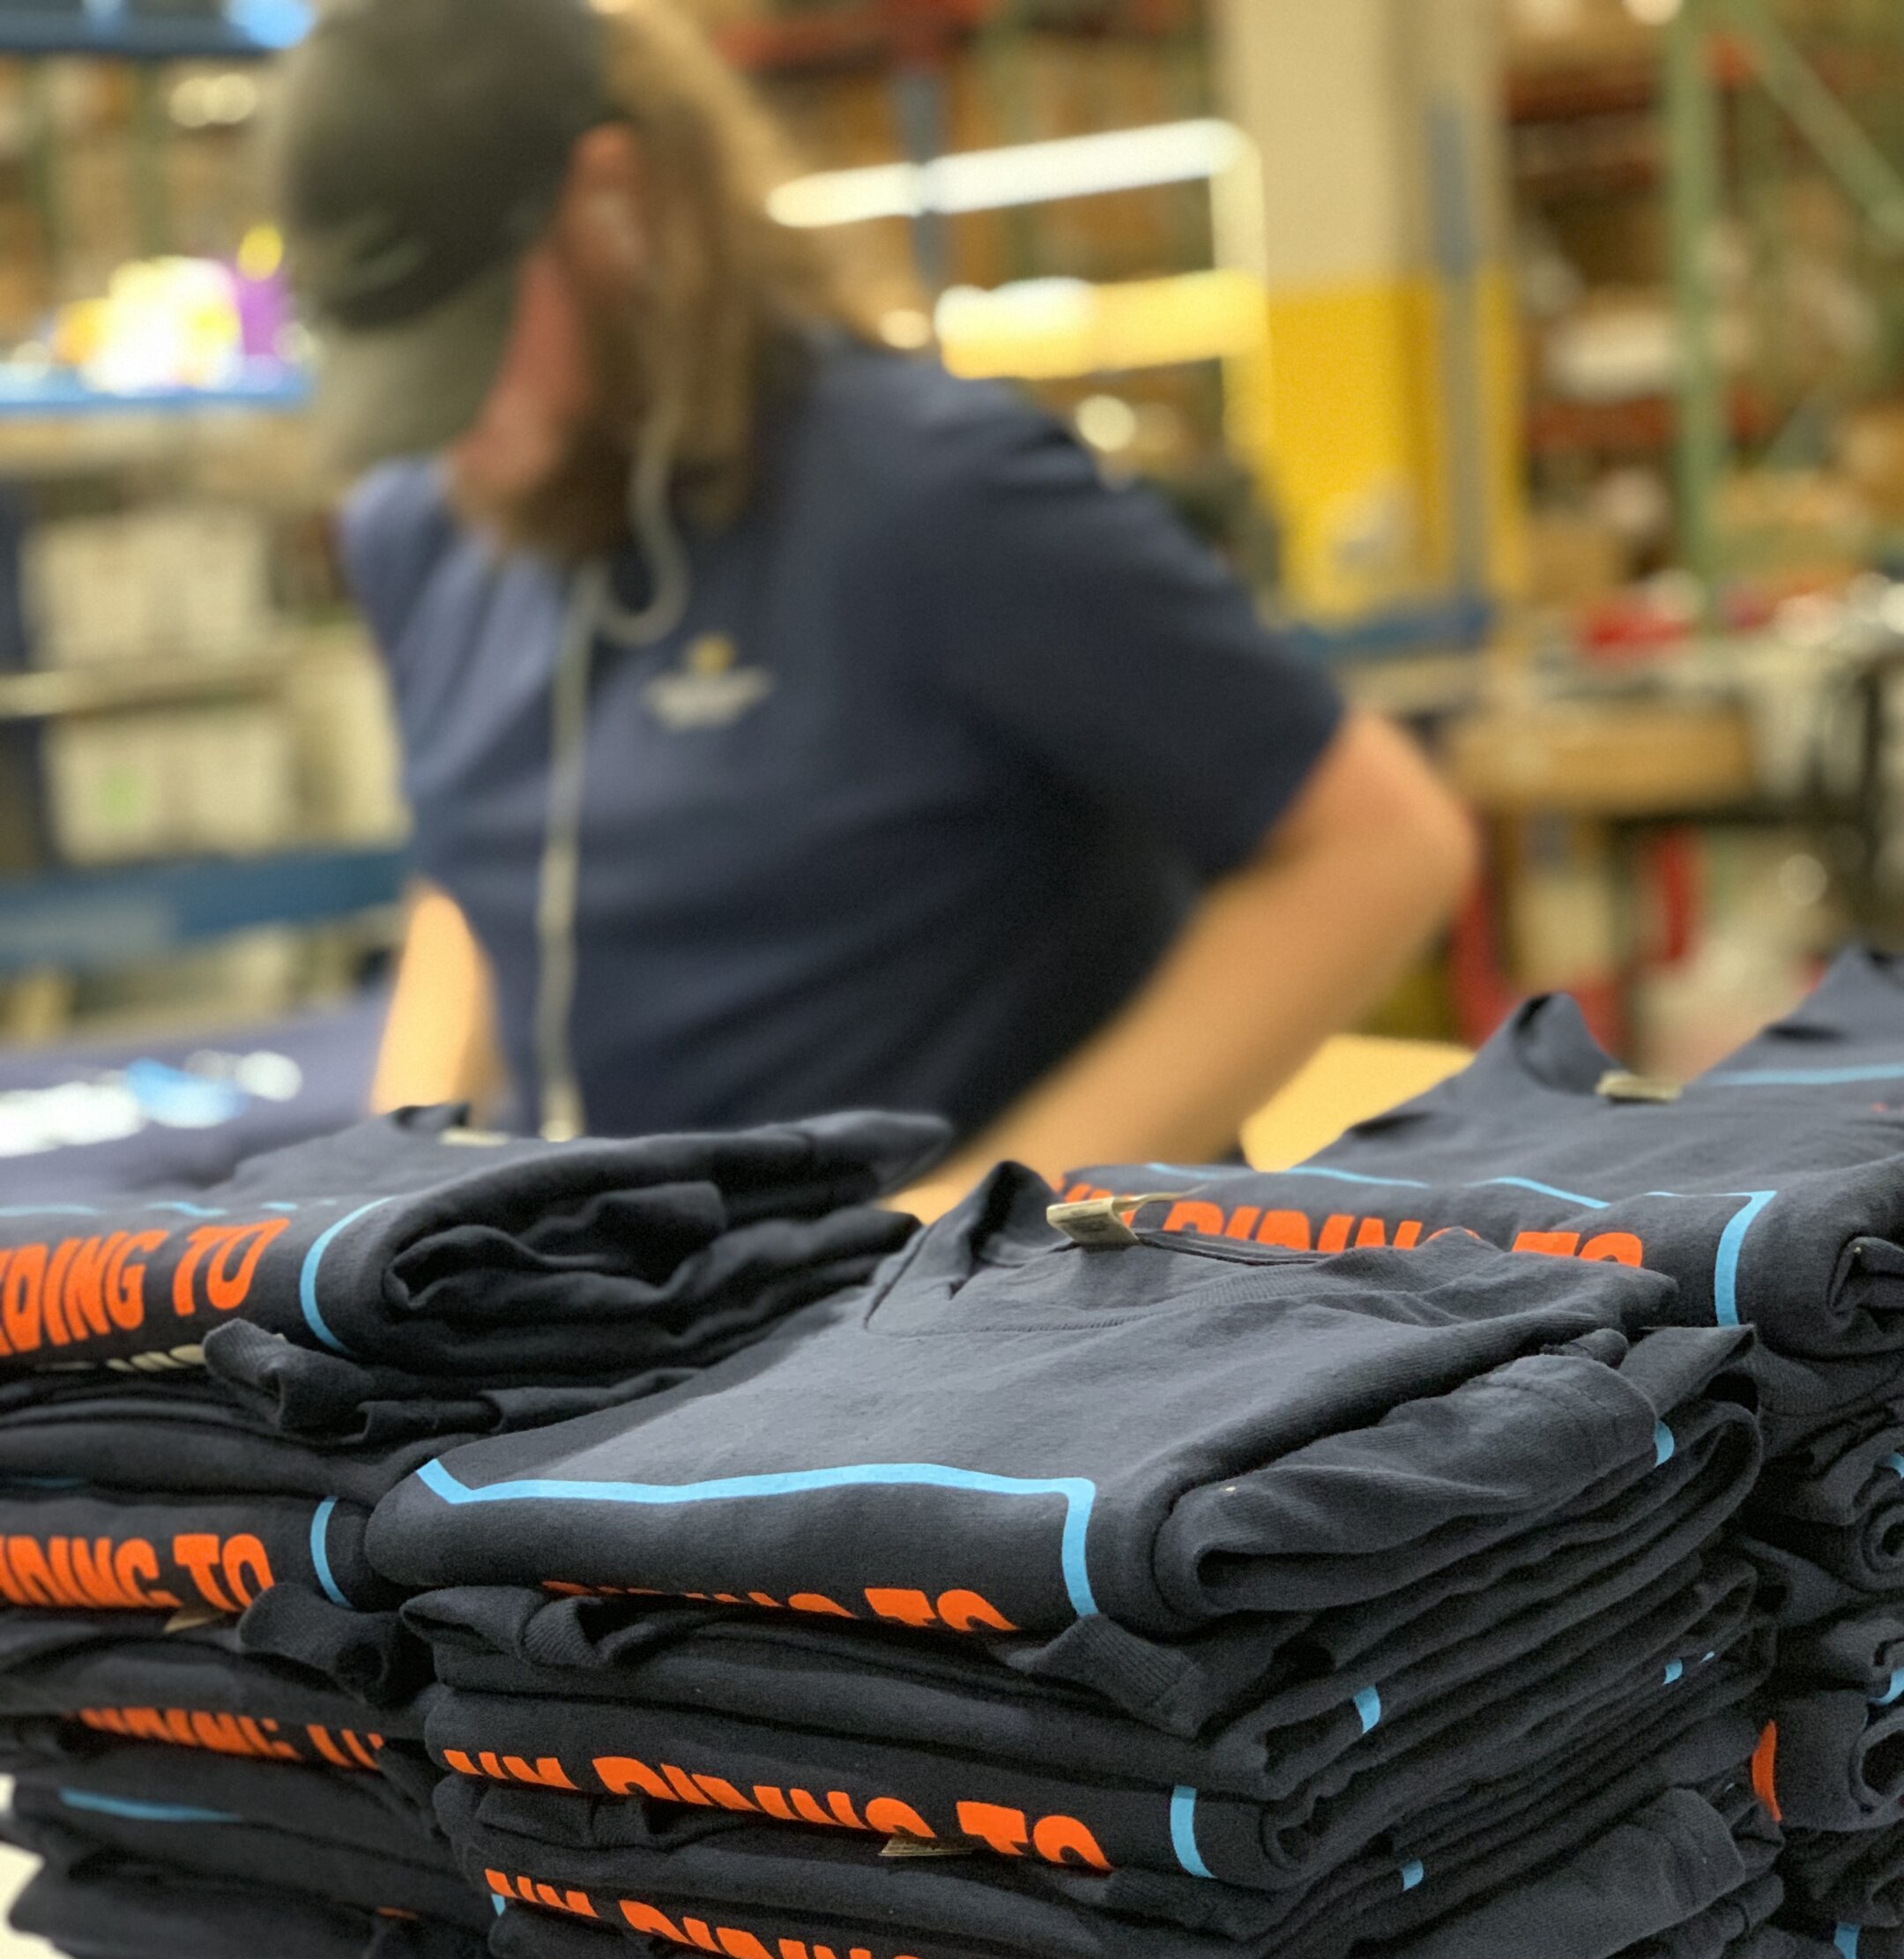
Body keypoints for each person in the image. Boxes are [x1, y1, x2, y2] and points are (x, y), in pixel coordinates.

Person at [276, 0, 1476, 1214]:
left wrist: (953, 1226)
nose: (439, 420)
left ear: (617, 202)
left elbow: (1375, 845)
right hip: (625, 1331)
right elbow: (477, 877)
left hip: (952, 1352)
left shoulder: (930, 500)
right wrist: (398, 1196)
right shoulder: (424, 527)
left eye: (467, 338)